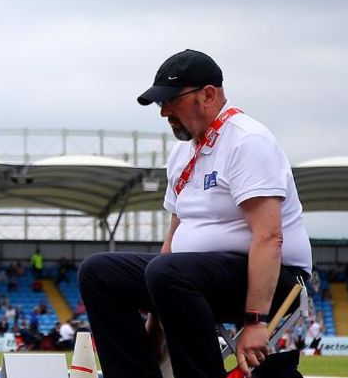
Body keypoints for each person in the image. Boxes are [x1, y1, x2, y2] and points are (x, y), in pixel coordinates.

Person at [78, 49, 312, 378]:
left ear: (208, 94)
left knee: (170, 273)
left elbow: (269, 236)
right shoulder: (182, 154)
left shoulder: (248, 141)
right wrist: (155, 324)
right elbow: (173, 241)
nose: (164, 112)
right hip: (189, 277)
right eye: (161, 104)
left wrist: (255, 322)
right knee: (99, 271)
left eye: (172, 100)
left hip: (274, 280)